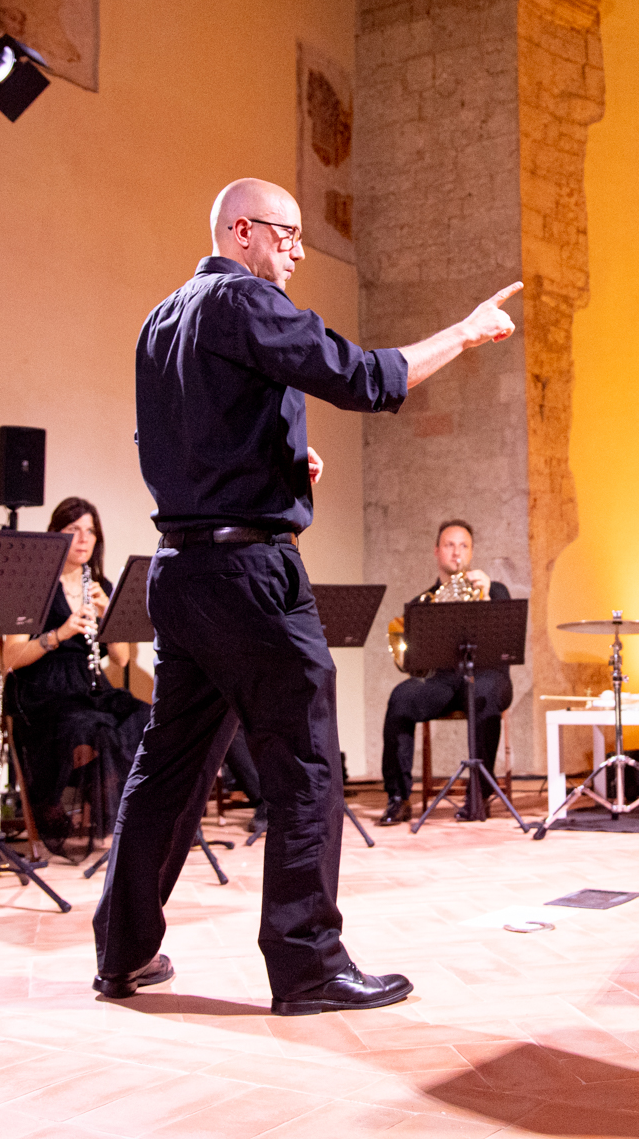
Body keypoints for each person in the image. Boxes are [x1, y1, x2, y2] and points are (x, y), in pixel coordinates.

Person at [93, 177, 520, 1014]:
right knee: (307, 766)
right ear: (241, 231)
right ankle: (308, 965)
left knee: (166, 770)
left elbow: (180, 439)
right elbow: (367, 379)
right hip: (251, 577)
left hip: (179, 570)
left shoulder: (160, 319)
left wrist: (277, 470)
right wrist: (466, 334)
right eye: (286, 235)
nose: (296, 251)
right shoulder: (246, 303)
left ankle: (122, 953)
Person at [2, 497, 150, 858]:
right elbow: (10, 657)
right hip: (41, 689)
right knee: (89, 727)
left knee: (143, 717)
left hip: (88, 685)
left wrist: (108, 613)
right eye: (73, 531)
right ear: (55, 535)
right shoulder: (33, 584)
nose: (84, 539)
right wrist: (60, 634)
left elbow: (122, 657)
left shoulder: (100, 584)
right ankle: (59, 812)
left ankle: (121, 822)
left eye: (91, 531)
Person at [376, 519, 514, 826]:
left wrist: (488, 593)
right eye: (450, 546)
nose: (457, 553)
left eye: (464, 546)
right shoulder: (422, 603)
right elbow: (416, 665)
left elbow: (506, 633)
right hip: (444, 682)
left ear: (472, 552)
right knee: (401, 698)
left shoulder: (494, 590)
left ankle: (479, 794)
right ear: (437, 552)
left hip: (489, 676)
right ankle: (397, 798)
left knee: (483, 692)